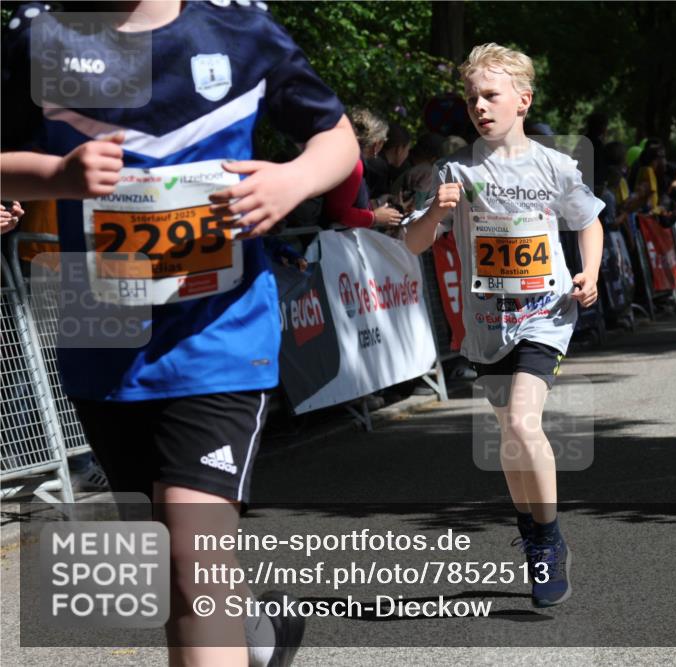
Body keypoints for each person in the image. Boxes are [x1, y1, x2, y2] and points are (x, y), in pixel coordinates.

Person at [1, 2, 359, 665]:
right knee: (174, 573)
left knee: (192, 553)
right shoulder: (38, 34)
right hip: (104, 343)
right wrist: (54, 178)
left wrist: (293, 180)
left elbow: (335, 134)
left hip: (220, 338)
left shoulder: (238, 27)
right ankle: (257, 628)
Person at [403, 42, 604, 608]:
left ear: (523, 99)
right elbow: (414, 241)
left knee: (521, 422)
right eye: (472, 99)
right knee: (511, 442)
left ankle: (549, 540)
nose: (480, 107)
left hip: (546, 316)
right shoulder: (456, 171)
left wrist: (588, 270)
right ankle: (537, 531)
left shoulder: (555, 165)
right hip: (487, 323)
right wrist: (438, 210)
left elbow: (589, 222)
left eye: (491, 95)